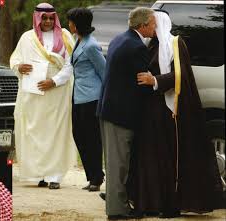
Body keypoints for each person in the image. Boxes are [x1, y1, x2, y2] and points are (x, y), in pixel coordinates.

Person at [127, 10, 223, 218]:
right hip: (151, 111)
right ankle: (151, 202)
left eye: (152, 22)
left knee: (168, 159)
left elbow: (182, 75)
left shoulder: (175, 44)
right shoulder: (152, 44)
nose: (150, 27)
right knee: (151, 158)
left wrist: (155, 81)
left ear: (159, 23)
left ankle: (170, 205)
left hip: (170, 113)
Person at [97, 7, 156, 220]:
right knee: (118, 165)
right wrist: (155, 82)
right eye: (152, 23)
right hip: (120, 113)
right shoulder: (136, 46)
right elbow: (142, 82)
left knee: (115, 163)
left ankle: (118, 206)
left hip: (109, 109)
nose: (155, 27)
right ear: (142, 26)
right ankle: (116, 211)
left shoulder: (119, 39)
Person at [10, 3, 76, 189]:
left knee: (55, 132)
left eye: (50, 18)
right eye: (44, 18)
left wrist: (54, 81)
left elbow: (70, 65)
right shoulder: (27, 37)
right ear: (37, 18)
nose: (47, 22)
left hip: (57, 92)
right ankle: (38, 174)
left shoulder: (65, 35)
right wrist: (18, 67)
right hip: (33, 94)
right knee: (34, 131)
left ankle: (54, 176)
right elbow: (15, 59)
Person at [67, 8, 106, 192]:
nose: (69, 25)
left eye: (71, 21)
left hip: (91, 98)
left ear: (77, 24)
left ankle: (97, 178)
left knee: (92, 138)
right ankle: (92, 175)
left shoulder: (91, 46)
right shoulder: (79, 40)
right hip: (78, 96)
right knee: (79, 135)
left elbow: (104, 71)